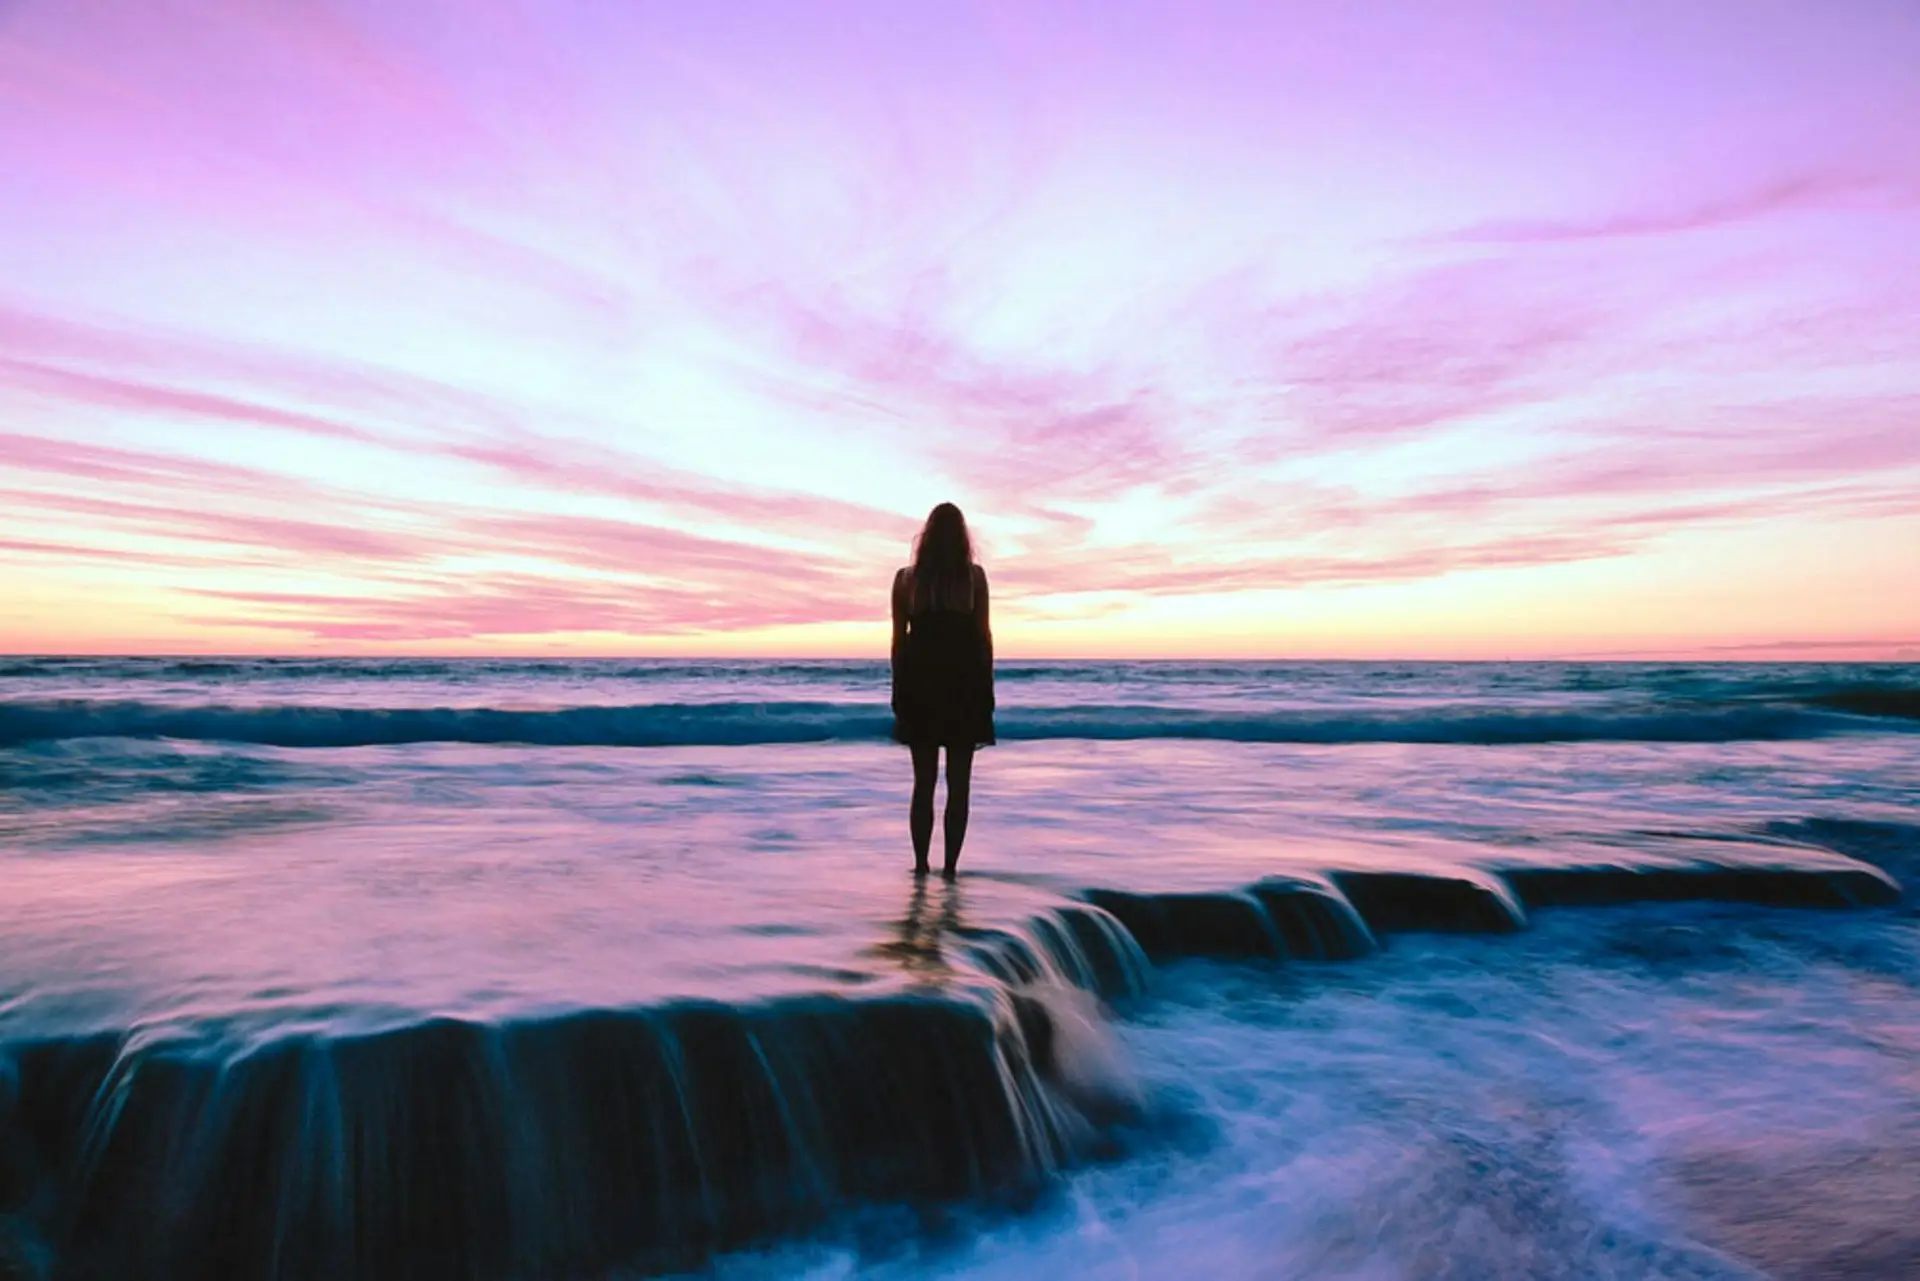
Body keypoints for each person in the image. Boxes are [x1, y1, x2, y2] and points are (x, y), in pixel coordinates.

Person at [891, 502, 995, 878]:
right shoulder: (974, 578)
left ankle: (921, 867)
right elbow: (984, 638)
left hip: (920, 684)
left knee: (923, 783)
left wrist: (897, 689)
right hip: (964, 685)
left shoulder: (906, 579)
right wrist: (988, 691)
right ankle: (950, 869)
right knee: (959, 784)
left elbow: (898, 642)